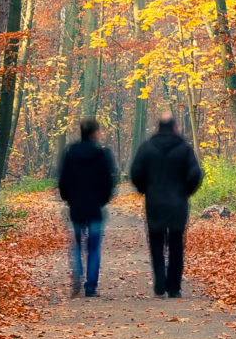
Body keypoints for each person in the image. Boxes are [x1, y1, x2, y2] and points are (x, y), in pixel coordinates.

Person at [127, 113, 204, 298]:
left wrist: (144, 189)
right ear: (175, 127)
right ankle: (174, 287)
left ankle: (160, 282)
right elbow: (195, 174)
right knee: (176, 243)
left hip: (155, 202)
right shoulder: (184, 149)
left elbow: (135, 172)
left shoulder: (147, 148)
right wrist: (186, 190)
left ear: (158, 127)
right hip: (178, 203)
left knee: (156, 242)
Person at [54, 117, 117, 297]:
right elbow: (109, 181)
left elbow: (63, 180)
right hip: (95, 206)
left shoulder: (70, 152)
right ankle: (90, 286)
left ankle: (77, 274)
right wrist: (103, 199)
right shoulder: (102, 154)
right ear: (94, 133)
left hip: (76, 205)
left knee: (76, 244)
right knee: (93, 247)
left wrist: (67, 197)